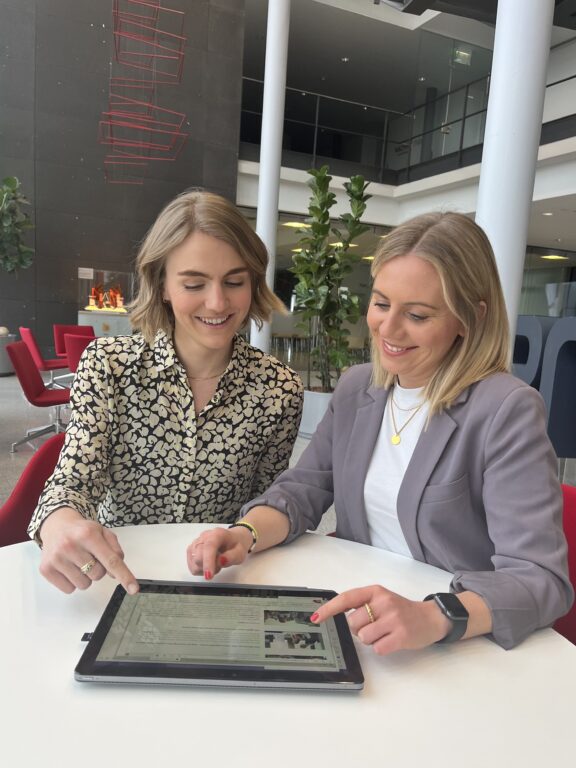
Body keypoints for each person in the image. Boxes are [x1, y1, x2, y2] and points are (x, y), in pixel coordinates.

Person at [187, 211, 573, 653]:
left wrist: (434, 615)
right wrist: (245, 534)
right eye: (382, 304)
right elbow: (302, 490)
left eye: (418, 315)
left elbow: (540, 579)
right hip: (361, 623)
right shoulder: (358, 387)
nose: (388, 329)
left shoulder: (506, 409)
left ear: (470, 317)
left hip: (453, 642)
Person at [29, 190, 303, 595]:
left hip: (220, 580)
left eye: (234, 281)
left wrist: (248, 535)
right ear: (162, 285)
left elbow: (268, 504)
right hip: (120, 574)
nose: (217, 302)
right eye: (194, 283)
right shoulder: (109, 366)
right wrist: (59, 523)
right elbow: (74, 479)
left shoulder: (279, 388)